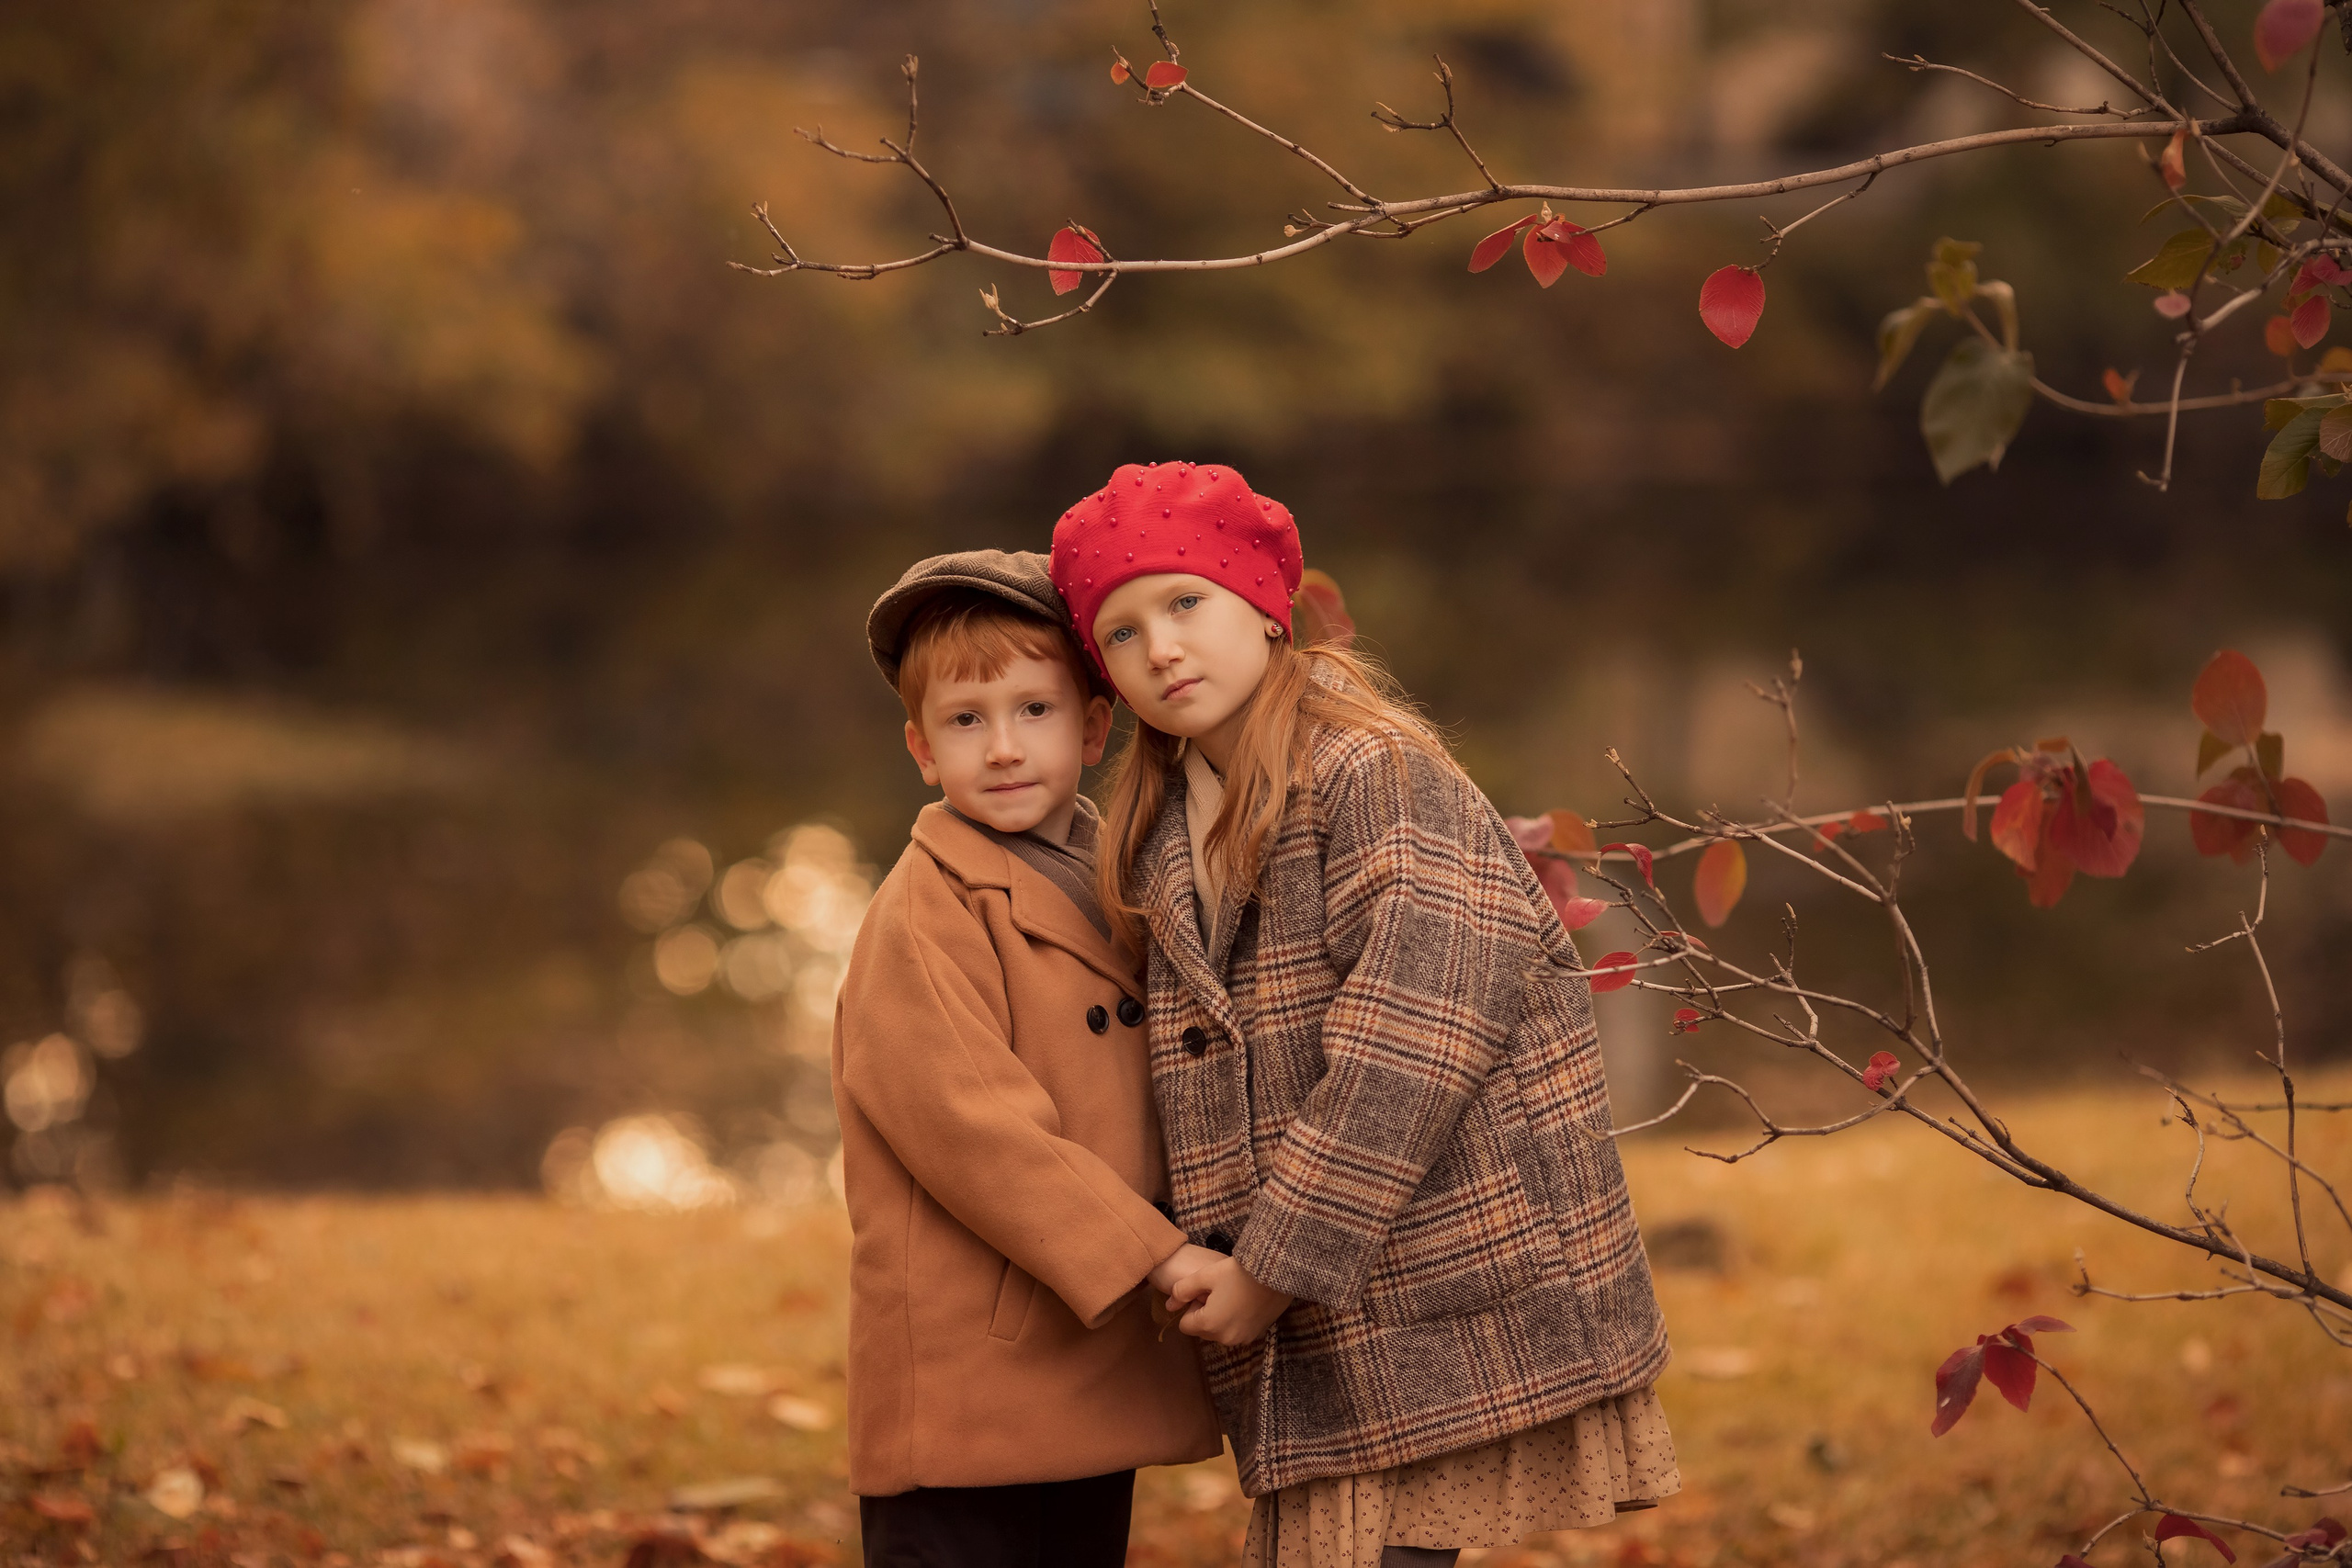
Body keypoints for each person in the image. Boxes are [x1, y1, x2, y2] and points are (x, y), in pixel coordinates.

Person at [1046, 464, 1681, 1568]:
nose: (1161, 649)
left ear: (1262, 604)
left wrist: (1269, 1268)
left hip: (1438, 1276)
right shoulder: (1161, 823)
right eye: (1122, 632)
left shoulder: (1372, 773)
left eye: (1184, 602)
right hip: (1334, 1300)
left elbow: (1414, 1042)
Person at [833, 548, 1224, 1568]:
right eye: (967, 721)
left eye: (1034, 711)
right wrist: (1156, 1255)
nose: (1003, 749)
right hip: (977, 1371)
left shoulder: (1126, 876)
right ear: (922, 749)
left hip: (1085, 1362)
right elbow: (976, 1131)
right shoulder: (923, 915)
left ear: (1096, 726)